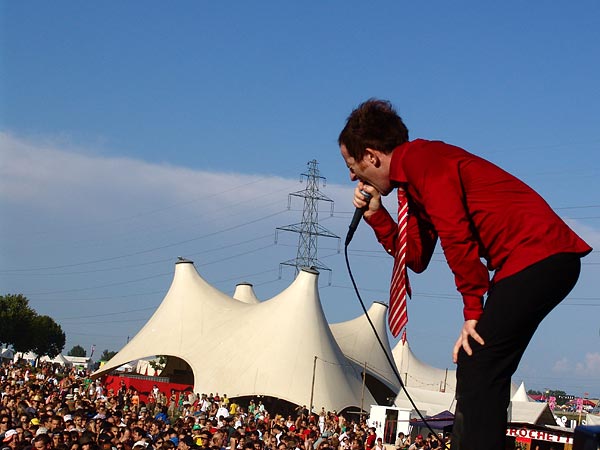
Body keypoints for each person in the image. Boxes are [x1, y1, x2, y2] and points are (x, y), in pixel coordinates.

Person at [338, 99, 592, 450]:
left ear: (371, 155)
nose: (352, 176)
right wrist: (377, 218)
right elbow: (416, 258)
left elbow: (458, 235)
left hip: (540, 254)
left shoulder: (423, 161)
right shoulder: (413, 182)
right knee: (480, 366)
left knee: (480, 364)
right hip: (530, 261)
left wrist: (473, 310)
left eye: (351, 165)